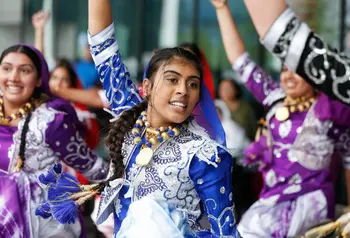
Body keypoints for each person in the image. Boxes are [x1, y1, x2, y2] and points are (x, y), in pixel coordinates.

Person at [38, 0, 241, 237]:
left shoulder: (206, 155)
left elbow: (225, 232)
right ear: (147, 87)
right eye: (172, 80)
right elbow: (103, 45)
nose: (183, 90)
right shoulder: (129, 114)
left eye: (192, 84)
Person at [211, 0, 350, 237]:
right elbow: (240, 61)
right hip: (272, 200)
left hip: (310, 202)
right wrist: (221, 8)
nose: (289, 76)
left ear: (315, 74)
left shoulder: (332, 108)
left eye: (297, 70)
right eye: (285, 69)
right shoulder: (275, 98)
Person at [0, 44, 109, 238]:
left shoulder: (51, 121)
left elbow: (96, 169)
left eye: (25, 71)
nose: (13, 77)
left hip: (41, 228)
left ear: (39, 79)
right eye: (6, 68)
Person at [242, 0, 350, 106]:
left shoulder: (332, 111)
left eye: (295, 71)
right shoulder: (277, 100)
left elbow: (283, 37)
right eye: (284, 70)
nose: (288, 76)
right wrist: (223, 9)